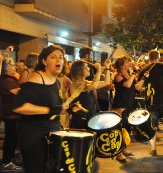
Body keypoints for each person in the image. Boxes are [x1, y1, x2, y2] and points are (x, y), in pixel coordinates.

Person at [12, 45, 66, 173]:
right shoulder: (37, 78)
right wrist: (50, 110)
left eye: (61, 57)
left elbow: (54, 105)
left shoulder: (56, 81)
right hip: (34, 137)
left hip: (51, 134)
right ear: (44, 61)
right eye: (53, 57)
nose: (58, 60)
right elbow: (18, 106)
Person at [138, 50, 163, 156]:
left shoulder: (145, 69)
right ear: (159, 57)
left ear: (148, 57)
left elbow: (140, 87)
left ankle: (153, 150)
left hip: (151, 101)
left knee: (153, 126)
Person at [112, 55, 145, 161]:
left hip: (128, 106)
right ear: (121, 65)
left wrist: (144, 78)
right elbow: (126, 85)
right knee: (120, 130)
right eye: (127, 62)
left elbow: (137, 88)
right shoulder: (118, 76)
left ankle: (124, 149)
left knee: (126, 129)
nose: (129, 63)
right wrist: (134, 73)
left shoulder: (128, 76)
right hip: (120, 107)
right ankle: (118, 153)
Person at [69, 59, 110, 129]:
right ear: (80, 70)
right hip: (80, 120)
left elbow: (106, 82)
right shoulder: (76, 84)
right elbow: (93, 86)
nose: (89, 69)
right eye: (86, 67)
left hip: (89, 118)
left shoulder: (86, 82)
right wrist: (99, 70)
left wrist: (107, 68)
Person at [0, 58, 22, 171]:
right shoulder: (6, 80)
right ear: (7, 67)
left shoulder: (10, 78)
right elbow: (18, 92)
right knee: (10, 138)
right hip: (10, 114)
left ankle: (10, 158)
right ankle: (6, 161)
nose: (15, 67)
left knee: (14, 137)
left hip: (14, 113)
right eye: (13, 66)